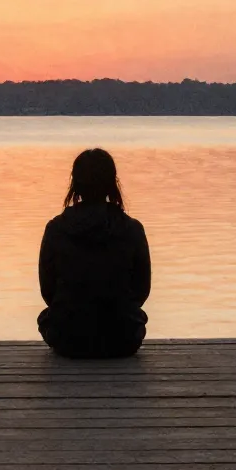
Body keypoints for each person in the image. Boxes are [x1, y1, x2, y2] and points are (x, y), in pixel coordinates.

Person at [37, 148, 151, 359]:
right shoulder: (132, 229)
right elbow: (141, 290)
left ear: (75, 185)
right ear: (112, 184)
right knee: (136, 317)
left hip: (68, 340)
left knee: (46, 318)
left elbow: (48, 291)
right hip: (122, 339)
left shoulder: (56, 229)